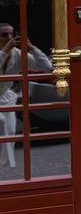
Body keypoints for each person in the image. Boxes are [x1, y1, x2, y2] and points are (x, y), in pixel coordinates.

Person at [0, 23, 52, 167]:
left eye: (11, 34)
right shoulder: (6, 51)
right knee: (1, 121)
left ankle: (5, 165)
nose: (9, 37)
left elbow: (46, 67)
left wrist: (31, 47)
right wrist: (5, 50)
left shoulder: (18, 54)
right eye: (4, 35)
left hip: (5, 96)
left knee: (10, 131)